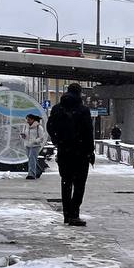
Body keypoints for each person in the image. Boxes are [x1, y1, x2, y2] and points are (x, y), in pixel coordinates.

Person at [46, 83, 95, 226]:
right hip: (80, 153)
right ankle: (74, 213)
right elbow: (88, 133)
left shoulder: (57, 109)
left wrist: (58, 141)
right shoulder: (83, 110)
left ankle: (67, 215)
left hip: (64, 153)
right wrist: (90, 152)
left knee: (66, 183)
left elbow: (50, 127)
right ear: (79, 93)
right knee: (79, 184)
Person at [21, 113, 47, 180]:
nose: (27, 121)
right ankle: (38, 171)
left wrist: (35, 141)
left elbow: (41, 138)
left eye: (29, 119)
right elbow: (23, 134)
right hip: (27, 145)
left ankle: (31, 174)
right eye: (27, 119)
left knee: (32, 159)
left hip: (35, 146)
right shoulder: (25, 126)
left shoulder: (39, 127)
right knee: (31, 159)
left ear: (33, 120)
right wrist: (22, 136)